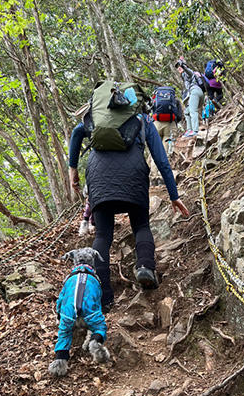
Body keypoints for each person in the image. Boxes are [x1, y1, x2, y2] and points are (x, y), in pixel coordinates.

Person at [69, 89, 190, 311]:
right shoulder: (143, 119)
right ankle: (145, 267)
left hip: (98, 176)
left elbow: (76, 134)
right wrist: (174, 196)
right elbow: (161, 160)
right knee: (141, 225)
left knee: (103, 235)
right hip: (133, 176)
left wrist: (73, 172)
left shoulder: (95, 118)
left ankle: (104, 297)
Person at [175, 58, 205, 137]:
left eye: (180, 67)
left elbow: (190, 73)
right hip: (196, 93)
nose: (179, 68)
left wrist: (183, 66)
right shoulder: (184, 77)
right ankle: (189, 130)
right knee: (186, 111)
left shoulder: (188, 73)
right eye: (178, 68)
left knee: (192, 111)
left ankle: (195, 130)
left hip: (195, 91)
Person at [150, 85, 184, 152]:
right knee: (166, 150)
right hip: (170, 124)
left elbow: (151, 111)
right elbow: (179, 116)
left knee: (155, 149)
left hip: (156, 124)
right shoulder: (175, 100)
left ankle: (153, 162)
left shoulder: (155, 99)